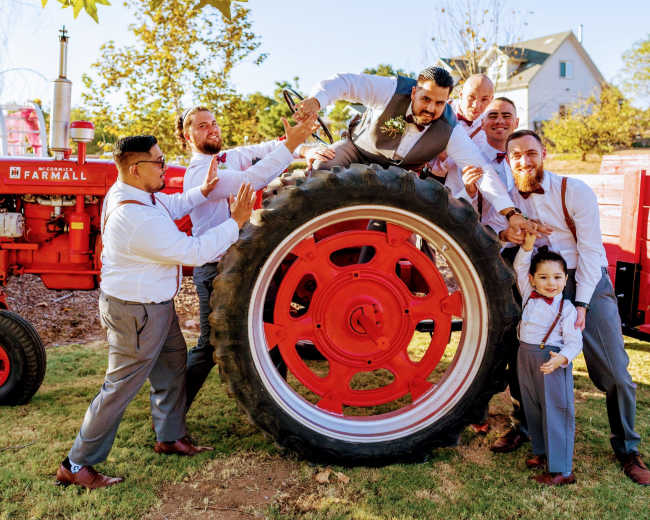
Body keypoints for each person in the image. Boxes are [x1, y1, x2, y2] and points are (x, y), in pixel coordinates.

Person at [55, 135, 259, 489]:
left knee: (172, 365)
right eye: (160, 162)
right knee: (119, 387)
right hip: (136, 312)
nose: (165, 167)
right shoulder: (134, 217)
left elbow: (172, 205)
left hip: (155, 305)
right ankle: (76, 464)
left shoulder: (139, 195)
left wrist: (202, 191)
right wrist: (235, 222)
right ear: (137, 169)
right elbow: (194, 252)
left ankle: (170, 436)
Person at [490, 129, 650, 486]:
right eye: (516, 155)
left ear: (543, 153)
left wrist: (580, 302)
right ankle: (535, 436)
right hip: (537, 283)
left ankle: (627, 449)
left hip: (584, 280)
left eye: (531, 153)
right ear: (508, 159)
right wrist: (508, 234)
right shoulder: (509, 198)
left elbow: (593, 252)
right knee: (529, 360)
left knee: (615, 372)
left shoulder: (573, 191)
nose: (524, 161)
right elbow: (494, 228)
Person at [178, 107, 319, 410]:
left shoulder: (227, 157)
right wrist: (291, 146)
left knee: (274, 329)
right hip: (216, 269)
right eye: (203, 126)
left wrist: (305, 145)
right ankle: (170, 415)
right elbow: (251, 179)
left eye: (214, 123)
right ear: (187, 136)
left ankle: (278, 405)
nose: (212, 129)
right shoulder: (200, 173)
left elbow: (264, 149)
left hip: (245, 265)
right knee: (209, 346)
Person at [293, 66, 534, 239]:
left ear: (448, 100)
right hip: (358, 150)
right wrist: (317, 101)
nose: (431, 108)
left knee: (400, 231)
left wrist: (510, 212)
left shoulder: (450, 129)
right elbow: (345, 82)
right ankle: (305, 239)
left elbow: (481, 170)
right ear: (413, 92)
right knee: (322, 167)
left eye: (440, 103)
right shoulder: (390, 89)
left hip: (401, 175)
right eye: (426, 99)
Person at [514, 234, 582, 485]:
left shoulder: (567, 309)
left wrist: (561, 358)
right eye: (543, 277)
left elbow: (575, 342)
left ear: (565, 280)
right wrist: (527, 247)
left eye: (556, 277)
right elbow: (520, 266)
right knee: (532, 407)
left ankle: (562, 470)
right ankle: (542, 452)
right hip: (525, 356)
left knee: (556, 411)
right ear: (532, 280)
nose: (550, 283)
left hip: (551, 359)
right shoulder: (528, 295)